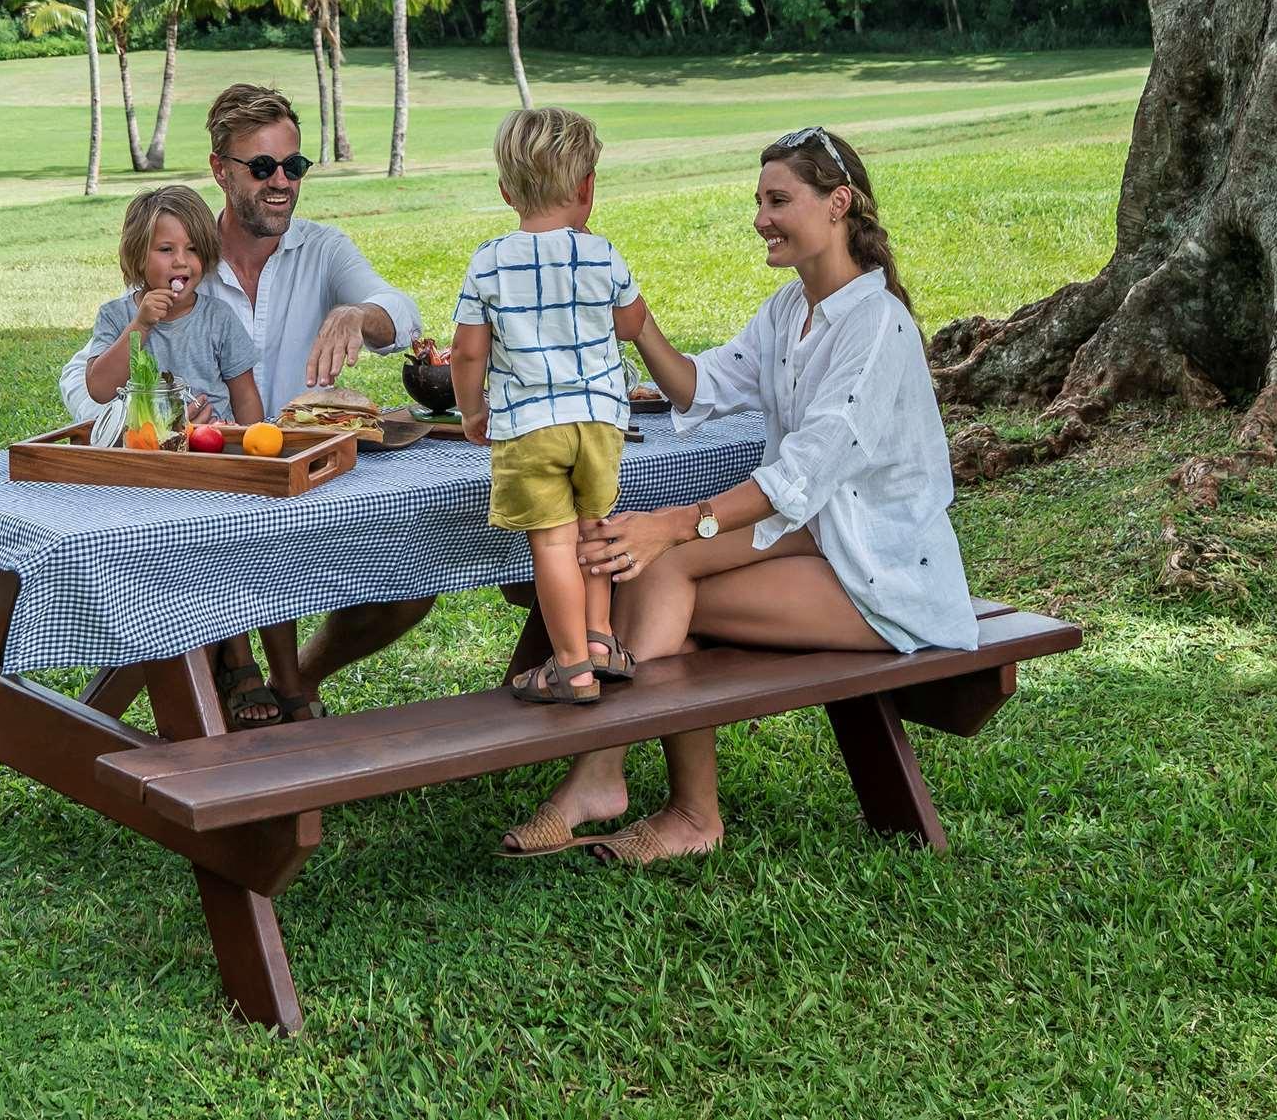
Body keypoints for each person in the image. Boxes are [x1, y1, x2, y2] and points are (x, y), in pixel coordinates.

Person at [501, 124, 971, 863]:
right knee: (649, 565)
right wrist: (640, 324)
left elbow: (799, 475)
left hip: (885, 570)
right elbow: (701, 384)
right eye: (758, 199)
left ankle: (610, 778)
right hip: (817, 537)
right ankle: (666, 804)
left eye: (778, 199)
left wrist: (677, 523)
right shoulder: (792, 311)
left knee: (659, 575)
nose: (759, 217)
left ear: (837, 203)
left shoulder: (876, 326)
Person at [195, 82, 432, 724]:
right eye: (263, 167)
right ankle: (245, 671)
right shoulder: (182, 254)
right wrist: (162, 404)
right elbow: (102, 362)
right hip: (212, 485)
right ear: (220, 169)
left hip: (310, 482)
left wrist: (361, 315)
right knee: (213, 533)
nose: (282, 182)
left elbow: (403, 317)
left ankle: (294, 675)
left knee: (413, 580)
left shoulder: (322, 248)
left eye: (294, 166)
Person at [450, 107, 645, 706]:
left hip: (530, 426)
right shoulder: (601, 252)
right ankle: (602, 641)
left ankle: (570, 668)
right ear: (586, 188)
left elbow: (465, 353)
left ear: (507, 191)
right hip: (602, 423)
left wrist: (472, 412)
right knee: (594, 530)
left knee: (555, 545)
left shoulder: (489, 261)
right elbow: (632, 322)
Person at [55, 185, 267, 439]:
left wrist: (254, 447)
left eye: (193, 249)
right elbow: (100, 389)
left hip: (212, 446)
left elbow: (245, 396)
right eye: (166, 249)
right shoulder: (115, 316)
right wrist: (141, 326)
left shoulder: (218, 317)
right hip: (143, 453)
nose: (181, 261)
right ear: (138, 255)